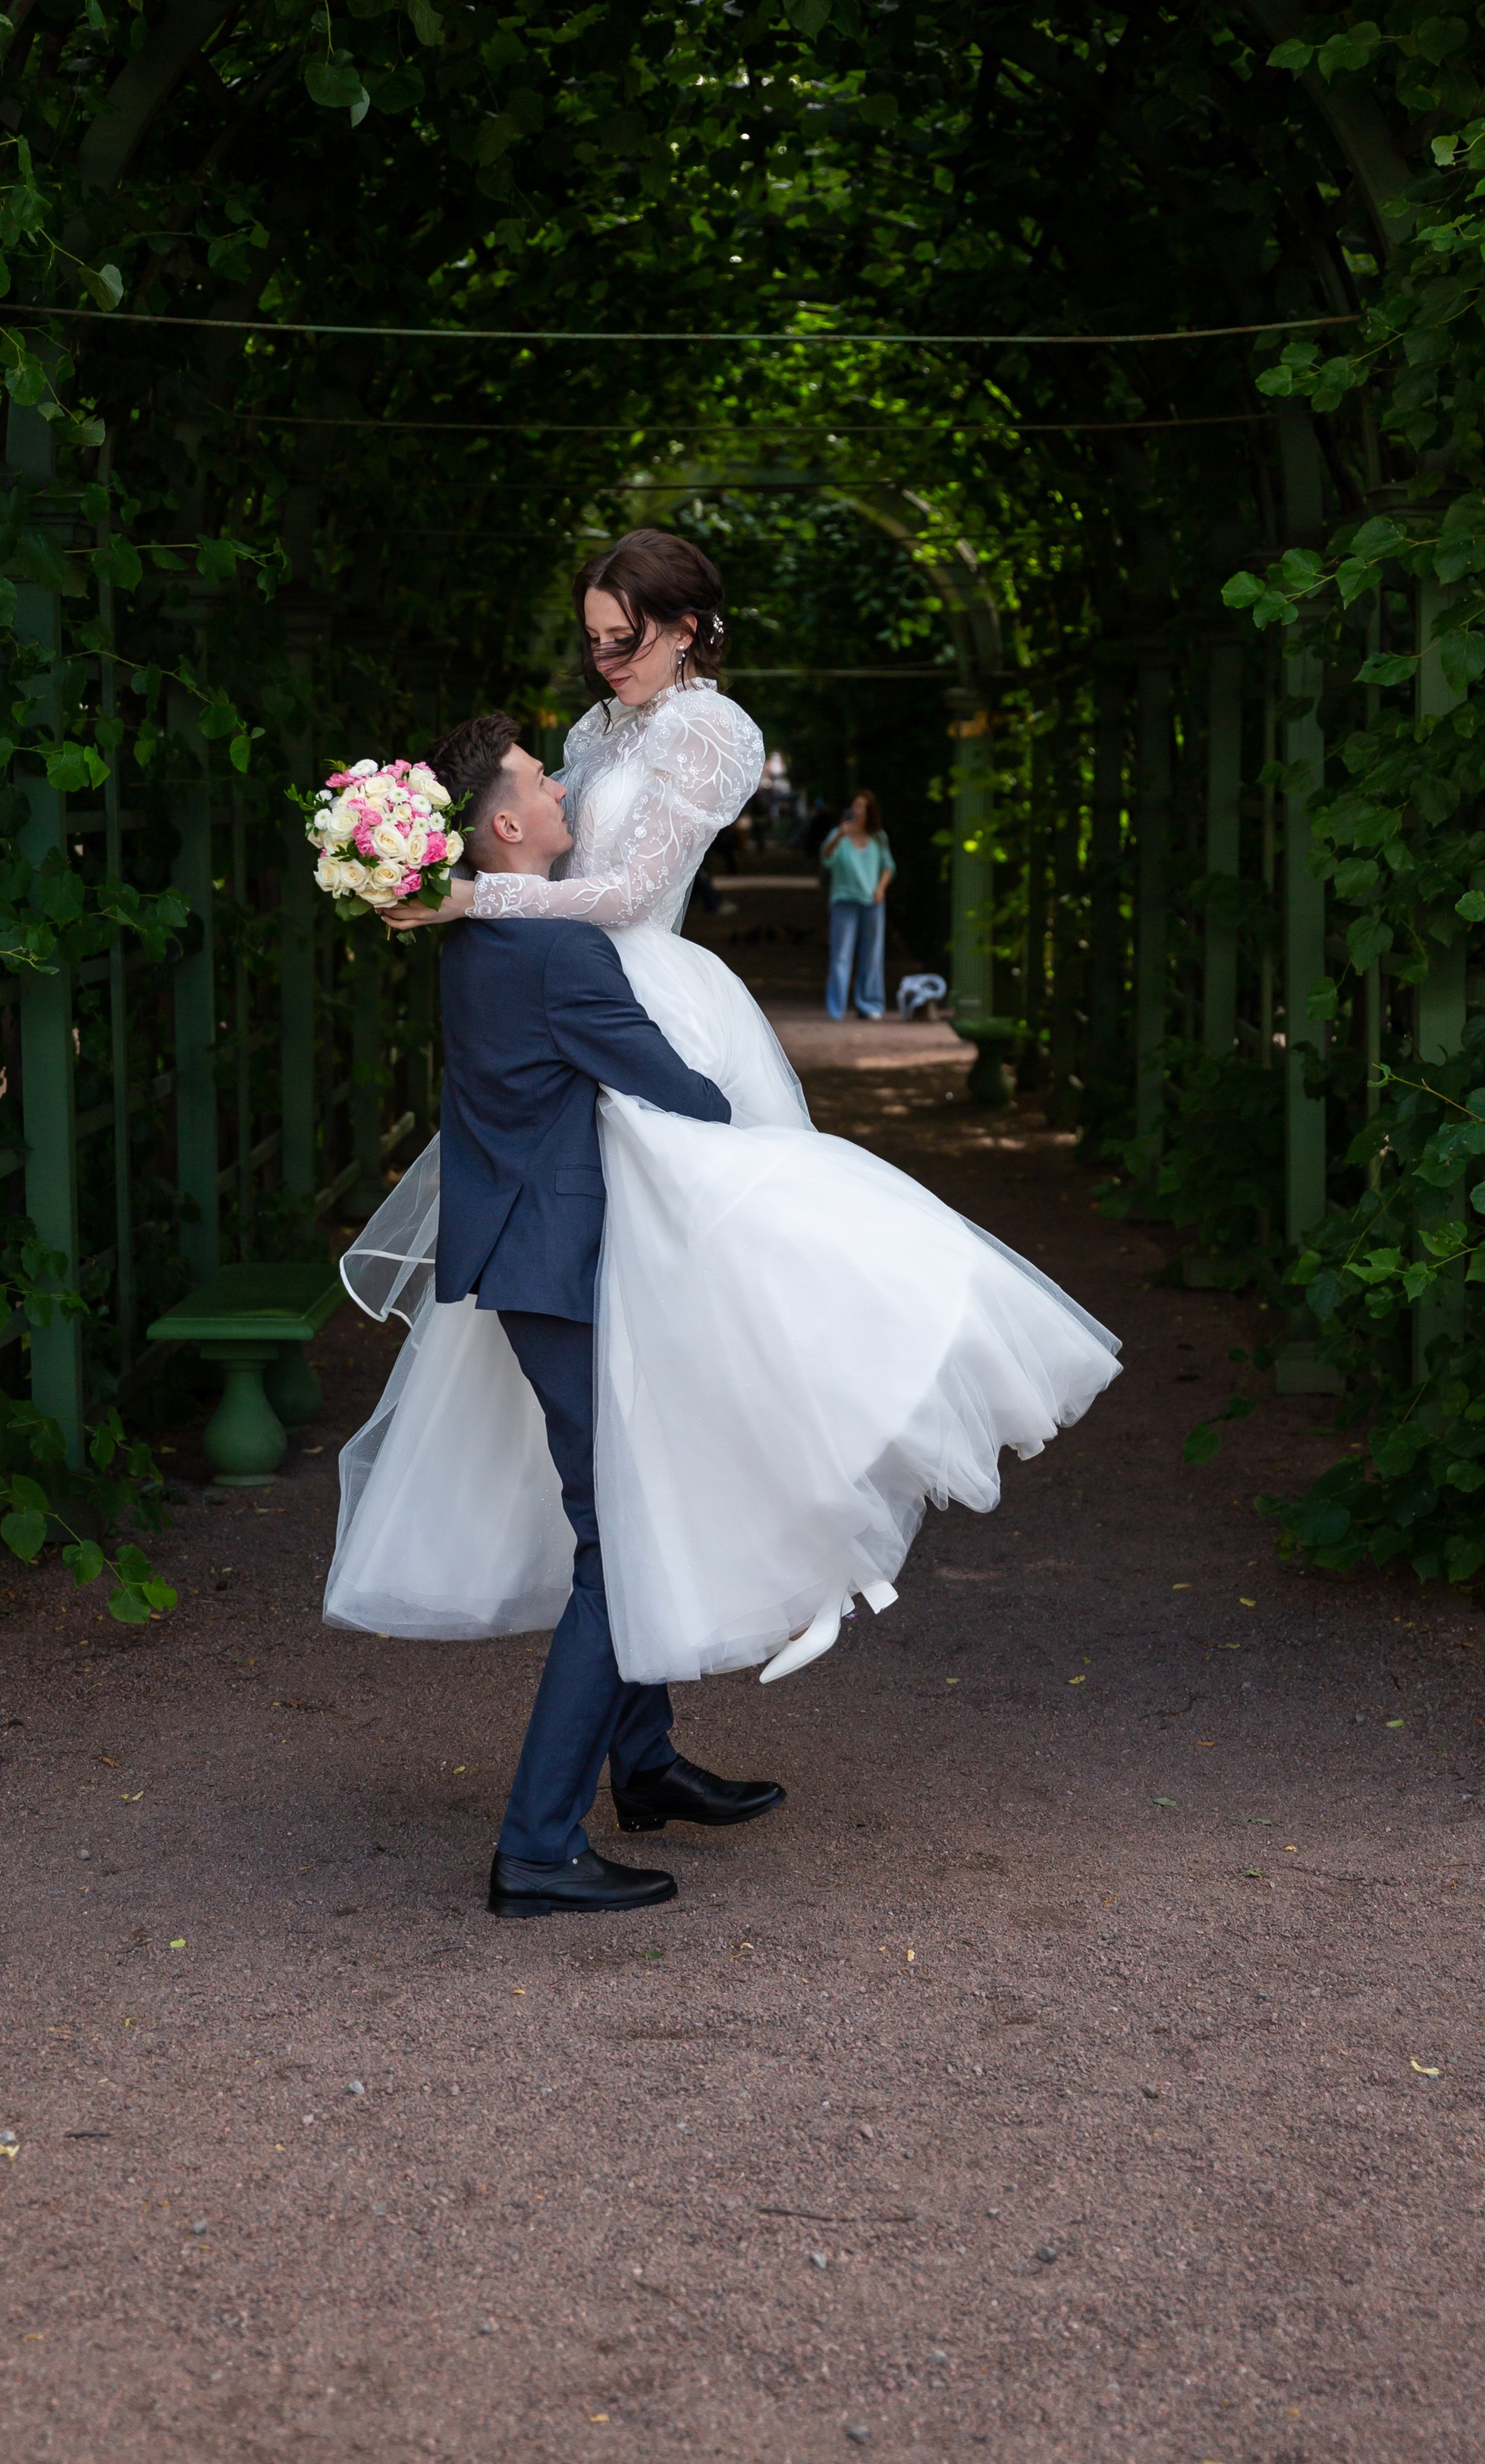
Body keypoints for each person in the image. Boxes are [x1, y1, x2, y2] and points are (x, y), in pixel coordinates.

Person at [330, 527, 1118, 1733]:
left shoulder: (715, 727)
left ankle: (803, 1535)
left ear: (688, 626)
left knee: (725, 1304)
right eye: (591, 642)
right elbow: (538, 836)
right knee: (630, 1349)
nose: (604, 663)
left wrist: (469, 895)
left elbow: (634, 893)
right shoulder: (594, 735)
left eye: (624, 639)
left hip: (646, 991)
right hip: (571, 994)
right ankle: (642, 1750)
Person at [343, 714, 784, 1920]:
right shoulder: (558, 954)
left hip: (524, 1251)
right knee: (620, 1537)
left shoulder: (485, 941)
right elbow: (677, 1092)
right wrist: (741, 1105)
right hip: (557, 1263)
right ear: (504, 826)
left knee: (615, 1506)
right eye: (542, 782)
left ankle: (640, 1761)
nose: (563, 788)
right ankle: (537, 1841)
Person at [821, 789, 895, 1021]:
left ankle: (870, 1004)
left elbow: (888, 866)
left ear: (869, 812)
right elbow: (826, 858)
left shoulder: (878, 837)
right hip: (844, 899)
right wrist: (839, 836)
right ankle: (836, 1008)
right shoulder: (838, 835)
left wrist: (881, 888)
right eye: (855, 805)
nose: (857, 810)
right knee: (841, 955)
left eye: (862, 806)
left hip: (872, 902)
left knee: (872, 955)